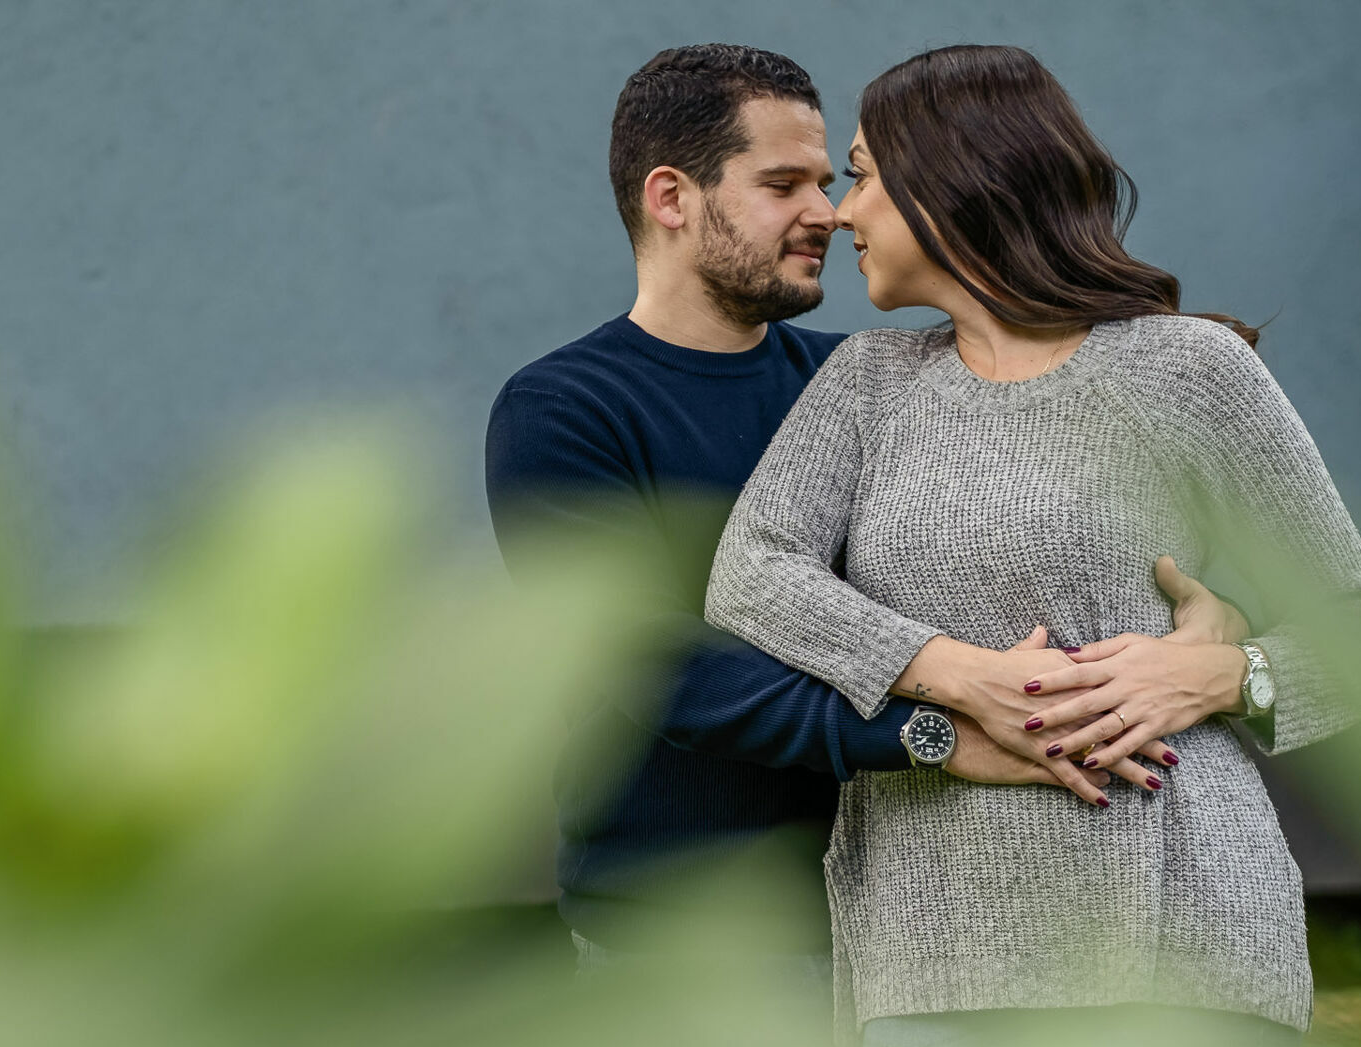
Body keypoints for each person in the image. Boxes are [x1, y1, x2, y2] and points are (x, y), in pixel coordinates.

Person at [702, 43, 1361, 1047]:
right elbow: (750, 573)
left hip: (1181, 948)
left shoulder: (1189, 368)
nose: (841, 212)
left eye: (864, 177)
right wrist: (942, 667)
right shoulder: (868, 385)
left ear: (951, 180)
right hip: (934, 953)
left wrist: (1218, 673)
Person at [485, 44, 1241, 973]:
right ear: (671, 198)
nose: (827, 213)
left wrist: (1214, 623)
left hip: (906, 908)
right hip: (683, 932)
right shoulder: (565, 409)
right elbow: (656, 666)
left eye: (829, 179)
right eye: (782, 184)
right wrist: (931, 736)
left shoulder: (871, 383)